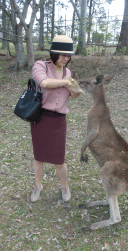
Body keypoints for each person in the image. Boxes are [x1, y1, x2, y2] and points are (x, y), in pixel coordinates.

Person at [30, 35, 79, 203]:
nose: (66, 59)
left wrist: (74, 92)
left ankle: (64, 186)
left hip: (59, 120)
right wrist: (65, 83)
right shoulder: (40, 66)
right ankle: (38, 186)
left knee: (59, 160)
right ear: (53, 54)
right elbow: (43, 83)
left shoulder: (68, 72)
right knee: (39, 157)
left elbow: (66, 91)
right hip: (41, 118)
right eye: (62, 55)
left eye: (68, 56)